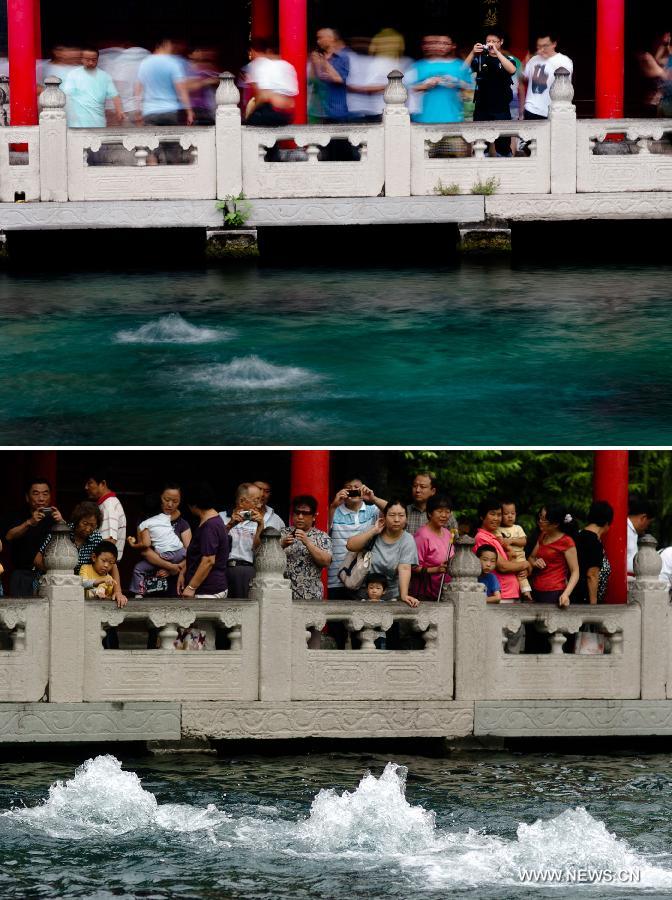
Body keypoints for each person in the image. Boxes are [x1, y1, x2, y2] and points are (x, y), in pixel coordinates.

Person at [36, 501, 127, 606]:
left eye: (92, 525)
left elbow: (111, 562)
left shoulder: (95, 537)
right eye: (85, 523)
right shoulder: (62, 532)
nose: (88, 529)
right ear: (77, 521)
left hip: (82, 589)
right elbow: (37, 559)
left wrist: (118, 592)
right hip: (55, 585)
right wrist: (63, 576)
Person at [346, 500, 419, 607]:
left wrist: (404, 595)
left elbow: (404, 568)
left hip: (390, 598)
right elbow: (350, 546)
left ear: (406, 518)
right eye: (392, 515)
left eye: (401, 515)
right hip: (363, 595)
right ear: (384, 517)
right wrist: (374, 531)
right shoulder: (374, 530)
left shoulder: (407, 539)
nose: (397, 519)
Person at [4, 478, 64, 597]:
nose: (41, 498)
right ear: (27, 497)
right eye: (36, 494)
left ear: (50, 496)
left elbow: (72, 541)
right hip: (22, 575)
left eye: (45, 494)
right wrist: (29, 522)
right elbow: (8, 536)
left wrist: (62, 522)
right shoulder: (17, 515)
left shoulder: (55, 518)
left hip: (48, 575)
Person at [328, 477, 387, 598]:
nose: (353, 490)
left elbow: (392, 511)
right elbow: (322, 530)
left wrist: (373, 498)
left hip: (361, 578)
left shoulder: (372, 510)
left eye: (356, 487)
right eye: (349, 488)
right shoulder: (334, 510)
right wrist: (334, 505)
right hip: (335, 577)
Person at [465, 30, 517, 156]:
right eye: (488, 41)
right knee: (481, 144)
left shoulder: (508, 59)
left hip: (501, 107)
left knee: (503, 143)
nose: (491, 44)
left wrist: (497, 52)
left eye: (494, 41)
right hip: (482, 106)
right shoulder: (480, 58)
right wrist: (472, 52)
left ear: (501, 42)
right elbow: (462, 70)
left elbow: (512, 69)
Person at [405, 33, 473, 124]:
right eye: (438, 43)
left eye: (445, 43)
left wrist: (456, 82)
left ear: (453, 46)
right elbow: (404, 89)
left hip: (454, 118)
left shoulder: (461, 65)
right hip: (422, 119)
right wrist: (425, 85)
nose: (440, 46)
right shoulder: (417, 66)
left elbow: (472, 90)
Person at [127, 496, 188, 597]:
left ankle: (139, 593)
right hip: (181, 552)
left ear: (142, 513)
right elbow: (178, 513)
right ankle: (172, 568)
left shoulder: (144, 524)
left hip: (166, 555)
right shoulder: (165, 517)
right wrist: (170, 505)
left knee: (138, 568)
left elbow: (146, 544)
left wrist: (133, 544)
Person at [473, 497, 531, 601]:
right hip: (499, 595)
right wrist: (525, 564)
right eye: (492, 514)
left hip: (509, 593)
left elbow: (511, 562)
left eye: (499, 515)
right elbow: (503, 566)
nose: (496, 518)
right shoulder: (482, 538)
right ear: (482, 516)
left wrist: (522, 570)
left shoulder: (494, 536)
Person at [178, 482, 229, 599]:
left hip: (208, 590)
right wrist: (183, 572)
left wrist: (191, 587)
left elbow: (208, 560)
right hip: (208, 588)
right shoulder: (213, 519)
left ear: (193, 505)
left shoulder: (209, 526)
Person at [280, 495, 332, 600]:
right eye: (296, 512)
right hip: (283, 592)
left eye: (305, 513)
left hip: (311, 593)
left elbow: (326, 561)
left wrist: (308, 542)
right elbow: (267, 557)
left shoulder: (321, 536)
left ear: (313, 516)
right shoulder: (282, 533)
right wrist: (281, 545)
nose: (300, 517)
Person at [219, 482, 265, 599]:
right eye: (256, 500)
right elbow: (214, 543)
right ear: (241, 501)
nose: (259, 505)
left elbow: (258, 550)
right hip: (222, 569)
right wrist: (230, 525)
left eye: (260, 500)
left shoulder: (257, 521)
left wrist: (260, 526)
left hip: (247, 569)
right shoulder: (221, 517)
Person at [528, 505, 579, 606]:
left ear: (555, 524)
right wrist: (535, 563)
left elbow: (575, 571)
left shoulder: (567, 541)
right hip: (536, 589)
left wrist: (566, 594)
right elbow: (531, 558)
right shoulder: (543, 535)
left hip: (554, 593)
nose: (539, 521)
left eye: (544, 519)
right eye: (540, 517)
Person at [135, 38, 193, 126]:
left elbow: (138, 89)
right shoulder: (173, 63)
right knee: (169, 139)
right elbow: (181, 90)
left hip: (149, 111)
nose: (172, 48)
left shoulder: (145, 63)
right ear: (165, 44)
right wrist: (189, 111)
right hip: (169, 110)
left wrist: (138, 110)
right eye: (170, 45)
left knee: (152, 139)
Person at [62, 47, 124, 128]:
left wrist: (119, 111)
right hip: (77, 123)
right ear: (82, 59)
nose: (91, 62)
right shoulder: (73, 74)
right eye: (87, 60)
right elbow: (67, 96)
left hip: (98, 122)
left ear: (97, 59)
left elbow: (115, 95)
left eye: (94, 60)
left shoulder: (105, 76)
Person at [245, 38, 299, 127]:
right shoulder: (289, 66)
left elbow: (264, 96)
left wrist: (250, 113)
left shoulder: (264, 64)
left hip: (273, 112)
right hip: (289, 115)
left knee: (248, 124)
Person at [519, 32, 573, 120]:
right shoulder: (533, 59)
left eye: (545, 46)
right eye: (539, 46)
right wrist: (524, 63)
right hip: (531, 109)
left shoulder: (564, 61)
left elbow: (565, 87)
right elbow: (523, 78)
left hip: (552, 111)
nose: (541, 49)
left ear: (554, 44)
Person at [410, 494, 454, 601]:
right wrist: (436, 569)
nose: (444, 515)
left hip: (444, 588)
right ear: (429, 513)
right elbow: (412, 566)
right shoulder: (422, 535)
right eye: (439, 511)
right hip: (425, 592)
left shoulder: (448, 533)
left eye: (447, 512)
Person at [571, 500, 613, 604]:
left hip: (573, 594)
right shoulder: (594, 542)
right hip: (584, 599)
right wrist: (593, 606)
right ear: (607, 523)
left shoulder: (578, 535)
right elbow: (592, 574)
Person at [309, 27, 351, 124]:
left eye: (321, 38)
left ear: (331, 38)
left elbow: (340, 79)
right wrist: (313, 64)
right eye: (317, 38)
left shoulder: (342, 57)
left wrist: (324, 62)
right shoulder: (318, 57)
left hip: (336, 110)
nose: (318, 41)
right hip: (319, 110)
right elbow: (312, 80)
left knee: (339, 138)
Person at [84, 472, 126, 561]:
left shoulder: (109, 506)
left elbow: (109, 543)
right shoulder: (105, 504)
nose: (86, 487)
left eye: (90, 483)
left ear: (103, 484)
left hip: (104, 566)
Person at [497, 500, 532, 601]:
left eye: (512, 513)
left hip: (520, 556)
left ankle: (526, 592)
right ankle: (523, 592)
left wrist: (511, 540)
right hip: (508, 558)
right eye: (506, 514)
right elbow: (501, 542)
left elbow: (524, 541)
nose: (510, 516)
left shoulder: (518, 528)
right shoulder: (498, 529)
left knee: (522, 575)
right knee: (515, 574)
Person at [80, 540, 126, 607]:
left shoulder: (110, 579)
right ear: (94, 557)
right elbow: (82, 584)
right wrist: (102, 580)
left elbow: (110, 599)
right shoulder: (86, 568)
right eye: (103, 561)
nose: (106, 565)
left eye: (111, 563)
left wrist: (104, 598)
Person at [627, 497, 656, 573]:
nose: (647, 528)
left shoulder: (632, 531)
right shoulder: (624, 530)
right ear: (643, 518)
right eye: (648, 524)